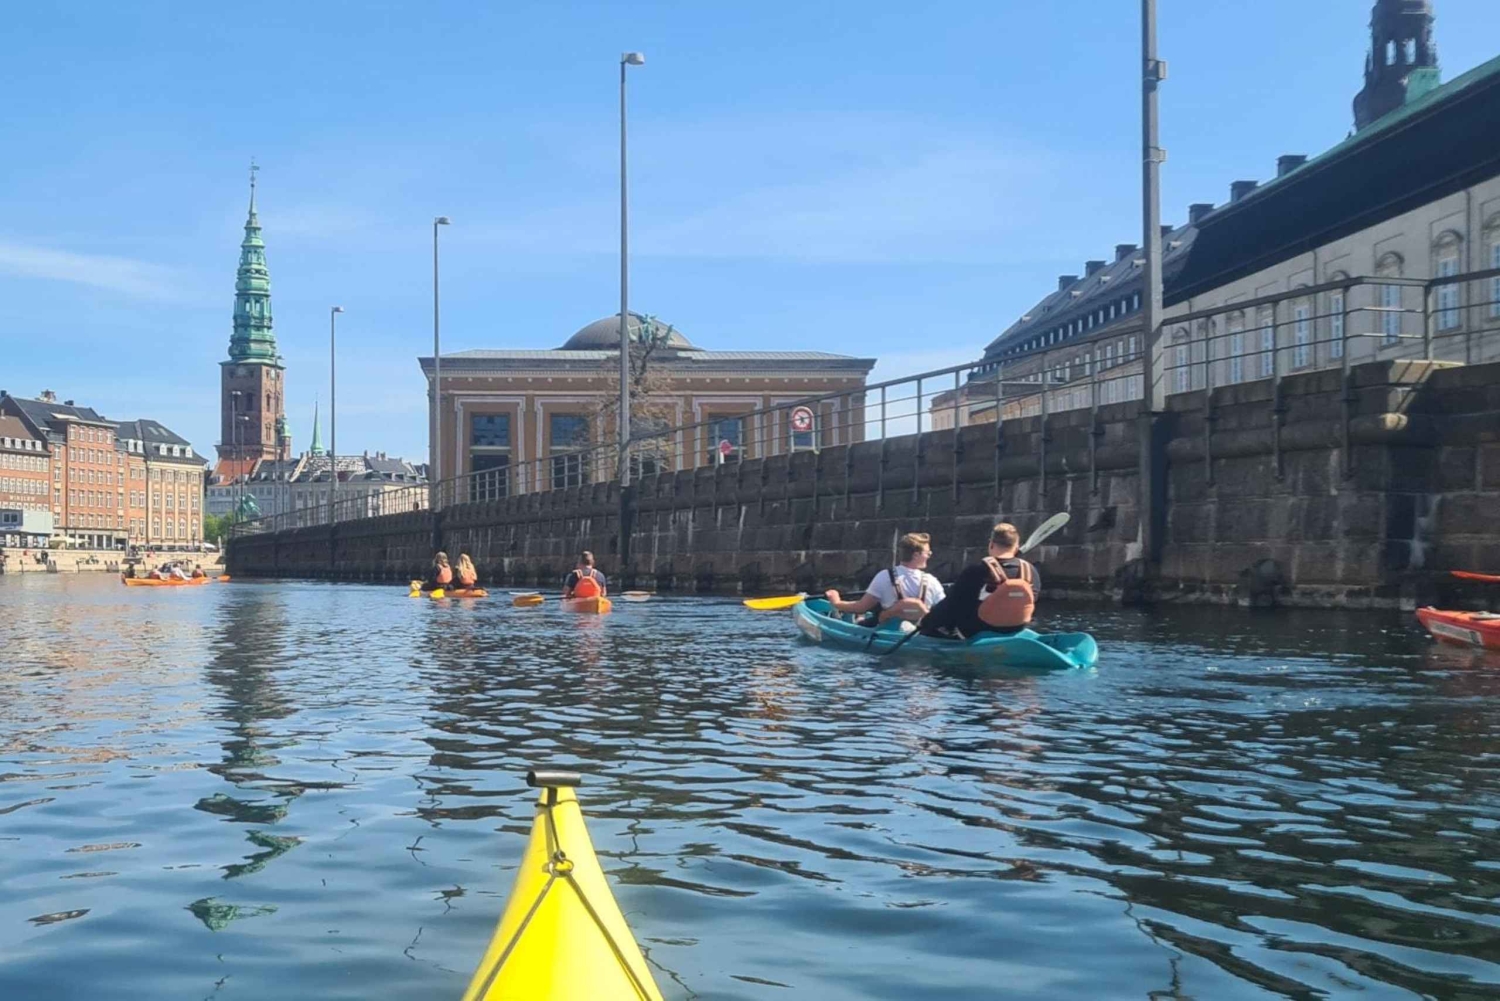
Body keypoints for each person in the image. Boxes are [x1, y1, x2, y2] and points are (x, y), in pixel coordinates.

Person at [919, 522, 1040, 639]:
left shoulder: (976, 571)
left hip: (976, 631)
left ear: (991, 544)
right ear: (1016, 547)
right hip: (1016, 628)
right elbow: (1031, 600)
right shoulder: (1030, 571)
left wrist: (925, 623)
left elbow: (951, 604)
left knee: (938, 623)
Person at [824, 532, 946, 625]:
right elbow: (944, 611)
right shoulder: (932, 581)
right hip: (919, 634)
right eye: (928, 553)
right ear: (916, 555)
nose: (929, 556)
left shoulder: (884, 576)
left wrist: (836, 602)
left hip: (887, 631)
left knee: (865, 617)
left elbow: (861, 607)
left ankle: (860, 619)